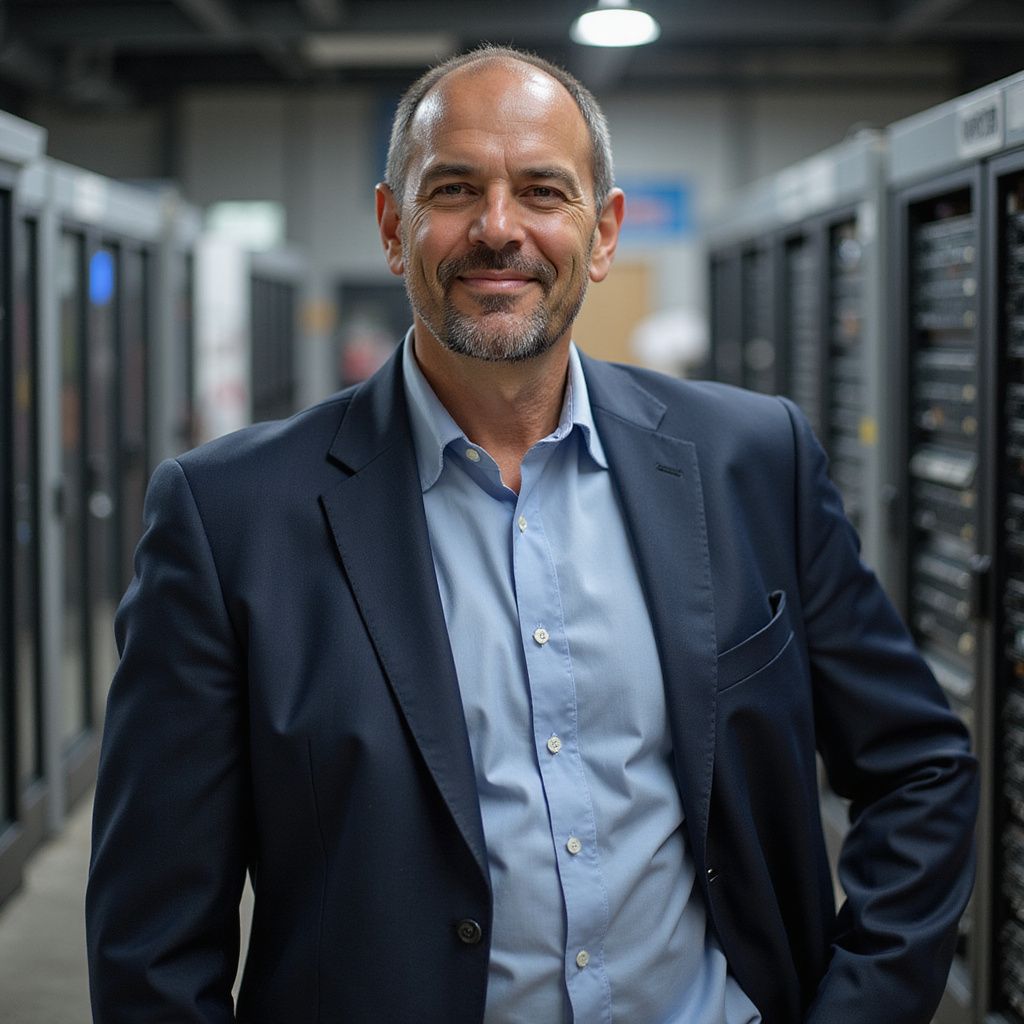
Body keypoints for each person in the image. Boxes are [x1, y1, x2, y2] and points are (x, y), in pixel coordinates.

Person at [86, 45, 977, 1024]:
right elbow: (153, 941)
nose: (499, 229)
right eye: (456, 189)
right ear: (394, 227)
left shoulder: (750, 460)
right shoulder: (229, 519)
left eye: (543, 191)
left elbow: (920, 767)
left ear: (602, 233)